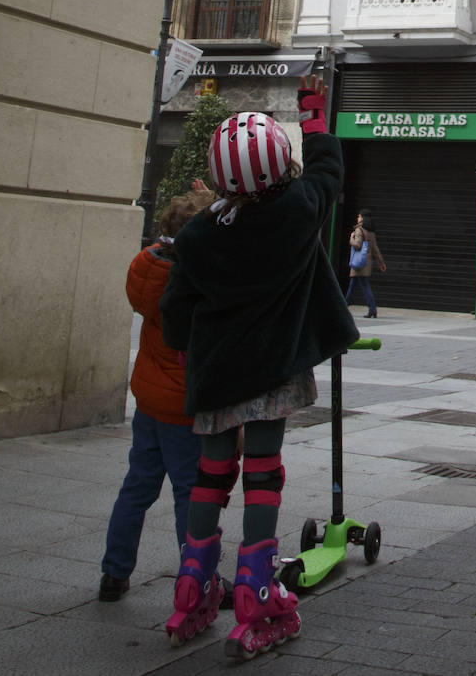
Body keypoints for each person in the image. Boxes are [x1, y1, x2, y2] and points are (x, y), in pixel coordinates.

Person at [160, 77, 358, 657]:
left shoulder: (196, 234)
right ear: (279, 166)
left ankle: (193, 583)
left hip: (217, 375)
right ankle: (254, 590)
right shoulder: (299, 211)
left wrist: (182, 350)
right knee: (264, 472)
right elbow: (328, 168)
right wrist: (314, 114)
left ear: (219, 175)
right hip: (274, 372)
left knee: (212, 474)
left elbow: (176, 310)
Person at [98, 186, 212, 602]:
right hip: (183, 406)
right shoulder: (192, 280)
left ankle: (114, 572)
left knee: (137, 487)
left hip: (148, 400)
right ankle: (196, 578)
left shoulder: (146, 269)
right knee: (191, 493)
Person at [345, 209, 387, 319]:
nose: (357, 217)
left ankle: (372, 309)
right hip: (366, 263)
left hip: (359, 263)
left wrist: (351, 239)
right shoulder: (371, 232)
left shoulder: (359, 230)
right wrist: (381, 263)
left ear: (363, 218)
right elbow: (375, 250)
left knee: (363, 286)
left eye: (359, 216)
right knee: (353, 285)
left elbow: (357, 245)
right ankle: (345, 306)